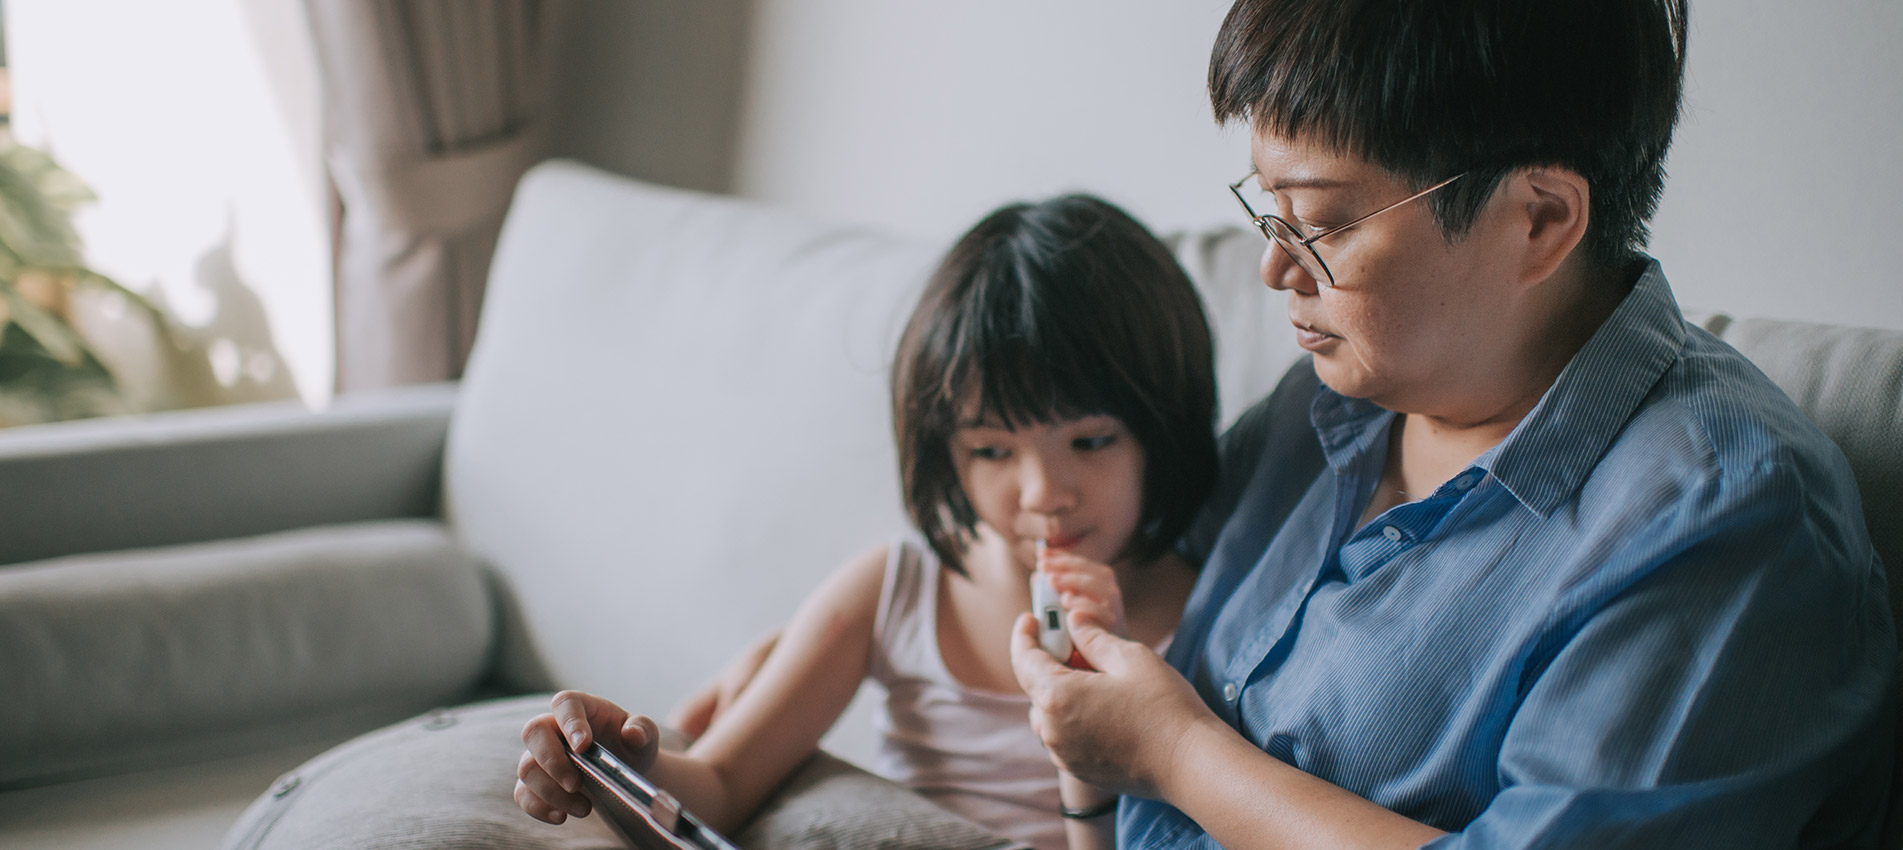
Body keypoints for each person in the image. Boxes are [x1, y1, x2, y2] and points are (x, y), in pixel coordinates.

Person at [1007, 1, 1896, 849]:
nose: (1275, 268)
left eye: (1319, 221)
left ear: (1538, 220)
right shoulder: (1331, 398)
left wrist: (1174, 754)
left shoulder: (1725, 520)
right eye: (1265, 207)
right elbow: (1160, 573)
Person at [513, 194, 1221, 850]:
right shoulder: (897, 591)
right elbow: (721, 786)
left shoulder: (1215, 614)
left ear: (1161, 431)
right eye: (991, 450)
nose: (1042, 494)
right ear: (944, 450)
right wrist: (623, 768)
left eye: (1090, 442)